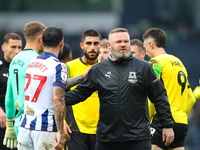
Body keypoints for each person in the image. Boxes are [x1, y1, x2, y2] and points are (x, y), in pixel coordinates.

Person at [65, 27, 174, 150]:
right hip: (107, 139)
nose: (123, 45)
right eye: (118, 42)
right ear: (108, 44)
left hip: (138, 139)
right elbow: (79, 94)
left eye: (126, 41)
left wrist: (168, 125)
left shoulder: (144, 68)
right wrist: (55, 99)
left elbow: (159, 97)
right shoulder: (98, 69)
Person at [143, 27, 196, 150]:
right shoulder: (179, 63)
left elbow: (152, 94)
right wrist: (180, 116)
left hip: (161, 121)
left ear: (151, 44)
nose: (145, 52)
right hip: (181, 122)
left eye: (145, 47)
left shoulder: (155, 63)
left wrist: (148, 120)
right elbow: (191, 98)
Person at [17, 27, 67, 150]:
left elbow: (49, 84)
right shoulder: (59, 67)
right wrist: (60, 131)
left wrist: (81, 77)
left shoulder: (32, 61)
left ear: (42, 43)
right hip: (45, 129)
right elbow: (57, 99)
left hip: (24, 127)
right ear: (61, 43)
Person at [3, 22, 47, 149]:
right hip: (35, 124)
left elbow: (9, 96)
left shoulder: (15, 60)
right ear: (40, 38)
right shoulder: (37, 61)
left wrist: (10, 124)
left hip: (18, 123)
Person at [65, 29, 101, 150]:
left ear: (100, 45)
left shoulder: (105, 68)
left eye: (96, 44)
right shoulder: (69, 67)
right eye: (88, 43)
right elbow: (59, 97)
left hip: (100, 129)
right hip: (75, 128)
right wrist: (62, 123)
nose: (92, 47)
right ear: (82, 45)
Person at [0, 33, 22, 150]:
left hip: (19, 122)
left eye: (19, 47)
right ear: (4, 47)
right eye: (13, 47)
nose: (17, 51)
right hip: (2, 121)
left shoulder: (23, 67)